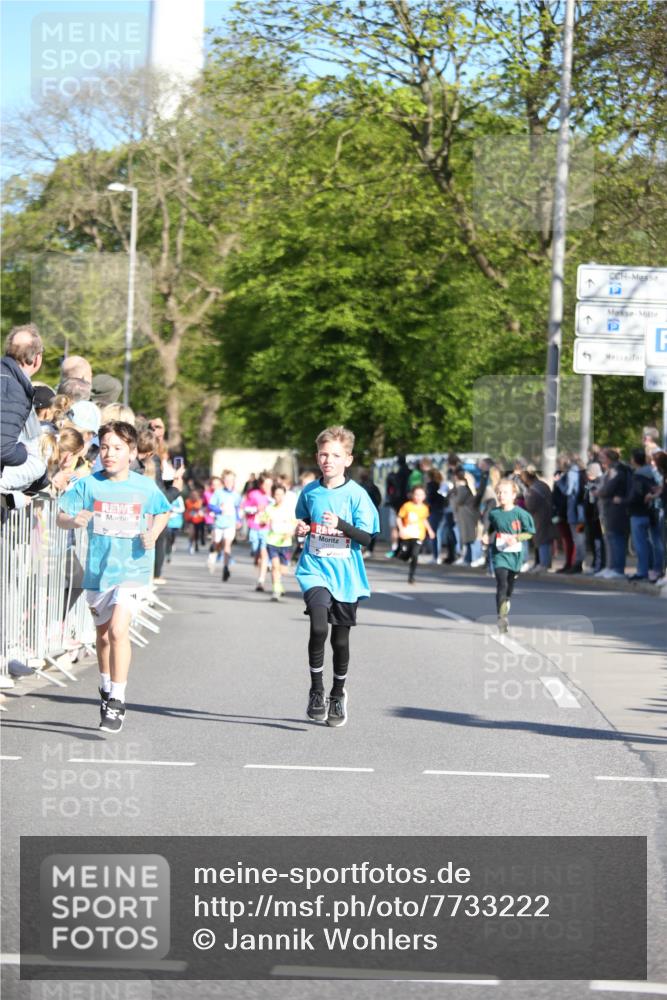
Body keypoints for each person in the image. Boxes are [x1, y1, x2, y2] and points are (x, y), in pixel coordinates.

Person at [56, 421, 171, 733]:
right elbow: (61, 515)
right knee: (104, 636)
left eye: (117, 448)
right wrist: (73, 520)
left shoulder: (144, 487)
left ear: (132, 453)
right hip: (98, 572)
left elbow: (164, 510)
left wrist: (154, 533)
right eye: (105, 447)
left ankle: (118, 699)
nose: (109, 453)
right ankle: (106, 687)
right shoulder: (89, 485)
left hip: (132, 570)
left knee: (120, 630)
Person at [295, 426, 379, 727]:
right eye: (323, 454)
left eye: (335, 455)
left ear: (348, 459)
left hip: (346, 575)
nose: (327, 460)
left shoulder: (358, 495)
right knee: (319, 627)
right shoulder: (310, 491)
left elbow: (368, 538)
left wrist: (342, 524)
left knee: (340, 641)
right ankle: (316, 691)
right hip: (315, 569)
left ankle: (337, 693)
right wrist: (302, 528)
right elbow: (304, 518)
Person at [483, 479, 535, 633]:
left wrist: (517, 538)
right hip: (499, 553)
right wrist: (486, 536)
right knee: (501, 583)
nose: (501, 495)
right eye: (499, 492)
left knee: (509, 587)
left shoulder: (521, 513)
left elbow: (530, 532)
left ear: (513, 495)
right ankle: (501, 617)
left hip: (515, 554)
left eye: (505, 492)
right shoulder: (494, 513)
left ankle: (506, 601)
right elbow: (491, 528)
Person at [397, 484, 436, 584]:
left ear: (424, 496)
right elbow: (399, 518)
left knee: (415, 555)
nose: (419, 497)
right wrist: (401, 529)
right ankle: (403, 555)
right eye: (417, 495)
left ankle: (411, 576)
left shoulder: (424, 508)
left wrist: (430, 530)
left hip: (418, 534)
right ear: (412, 495)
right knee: (405, 555)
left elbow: (424, 520)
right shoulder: (407, 506)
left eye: (421, 495)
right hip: (407, 534)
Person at [207, 470, 241, 581]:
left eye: (231, 480)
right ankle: (213, 552)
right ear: (223, 481)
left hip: (230, 523)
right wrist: (219, 509)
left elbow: (237, 508)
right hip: (219, 523)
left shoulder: (236, 495)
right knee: (217, 543)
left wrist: (238, 520)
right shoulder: (218, 493)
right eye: (227, 480)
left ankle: (225, 568)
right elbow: (211, 505)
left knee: (227, 545)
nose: (229, 482)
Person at [266, 482, 296, 601]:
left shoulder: (289, 509)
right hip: (272, 540)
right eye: (276, 494)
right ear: (273, 495)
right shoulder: (269, 509)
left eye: (281, 494)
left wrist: (291, 532)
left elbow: (295, 523)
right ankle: (276, 590)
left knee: (283, 570)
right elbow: (263, 520)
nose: (279, 497)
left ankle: (279, 585)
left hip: (285, 542)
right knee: (274, 566)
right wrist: (263, 520)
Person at [244, 473, 273, 590]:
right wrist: (256, 509)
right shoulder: (253, 494)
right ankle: (259, 561)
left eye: (270, 485)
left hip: (267, 528)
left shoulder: (273, 496)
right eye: (266, 484)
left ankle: (261, 581)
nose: (268, 487)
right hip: (254, 527)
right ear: (261, 484)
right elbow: (245, 508)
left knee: (264, 553)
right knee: (257, 552)